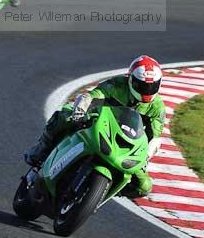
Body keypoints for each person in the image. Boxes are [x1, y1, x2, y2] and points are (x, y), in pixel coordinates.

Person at [24, 55, 166, 198]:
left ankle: (102, 193)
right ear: (130, 80)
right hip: (100, 125)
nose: (147, 91)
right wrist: (81, 108)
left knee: (144, 187)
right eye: (141, 85)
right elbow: (94, 96)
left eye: (152, 86)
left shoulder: (157, 107)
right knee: (64, 116)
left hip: (126, 144)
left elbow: (154, 136)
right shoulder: (117, 85)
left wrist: (146, 155)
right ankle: (41, 150)